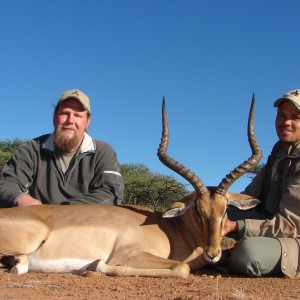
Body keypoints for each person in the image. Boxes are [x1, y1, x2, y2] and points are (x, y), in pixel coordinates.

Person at [222, 89, 300, 278]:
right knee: (212, 211)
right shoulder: (280, 153)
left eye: (295, 117)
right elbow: (249, 198)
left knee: (248, 254)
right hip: (274, 225)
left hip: (293, 234)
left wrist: (235, 226)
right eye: (282, 116)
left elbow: (290, 225)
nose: (286, 123)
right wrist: (214, 200)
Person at [0, 89, 124, 207]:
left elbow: (111, 194)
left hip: (84, 224)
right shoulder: (30, 149)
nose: (70, 120)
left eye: (78, 115)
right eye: (65, 113)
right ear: (54, 116)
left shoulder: (103, 152)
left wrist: (61, 211)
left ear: (88, 121)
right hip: (37, 224)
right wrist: (19, 198)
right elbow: (5, 186)